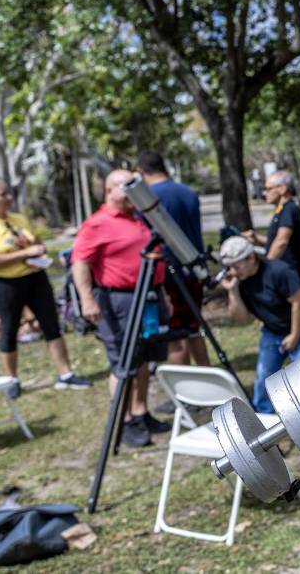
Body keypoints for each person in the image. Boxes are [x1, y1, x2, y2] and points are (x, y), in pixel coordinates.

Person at [72, 170, 170, 448]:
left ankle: (140, 411)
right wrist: (86, 298)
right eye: (127, 186)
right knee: (123, 362)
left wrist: (163, 292)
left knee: (144, 358)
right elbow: (80, 262)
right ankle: (124, 420)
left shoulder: (139, 217)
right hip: (119, 300)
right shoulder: (97, 224)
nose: (133, 192)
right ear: (109, 190)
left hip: (150, 297)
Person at [0, 180, 91, 398]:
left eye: (9, 193)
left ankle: (65, 374)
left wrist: (38, 250)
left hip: (35, 277)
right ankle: (12, 380)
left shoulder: (19, 219)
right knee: (9, 330)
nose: (8, 198)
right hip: (6, 283)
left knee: (51, 325)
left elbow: (35, 243)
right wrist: (25, 254)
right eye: (2, 195)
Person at [219, 235, 300, 415]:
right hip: (272, 331)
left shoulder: (278, 271)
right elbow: (243, 319)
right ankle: (264, 419)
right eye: (229, 267)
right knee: (264, 378)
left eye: (236, 265)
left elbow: (299, 302)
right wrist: (232, 291)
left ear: (251, 258)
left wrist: (294, 335)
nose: (233, 271)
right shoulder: (240, 281)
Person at [137, 150, 209, 368]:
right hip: (195, 268)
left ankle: (186, 388)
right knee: (195, 327)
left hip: (169, 273)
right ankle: (208, 375)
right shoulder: (188, 192)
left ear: (142, 172)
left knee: (176, 334)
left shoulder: (148, 199)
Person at [244, 170, 300, 278]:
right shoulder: (281, 211)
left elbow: (281, 242)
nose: (264, 193)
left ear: (282, 189)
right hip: (282, 272)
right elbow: (274, 240)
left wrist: (267, 268)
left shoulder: (289, 209)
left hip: (288, 273)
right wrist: (256, 238)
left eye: (268, 189)